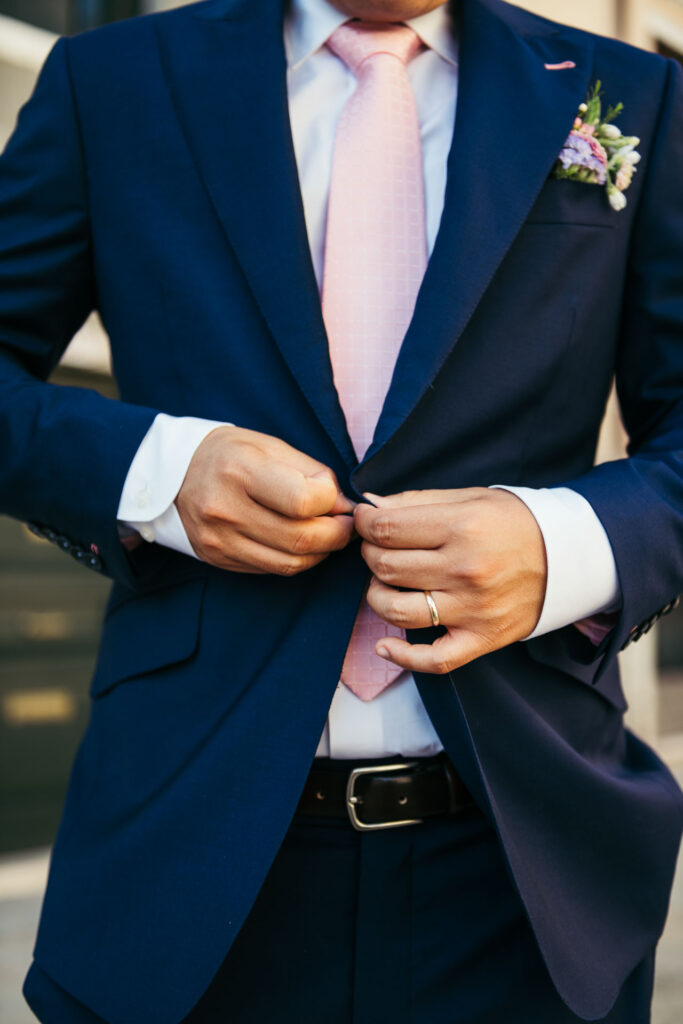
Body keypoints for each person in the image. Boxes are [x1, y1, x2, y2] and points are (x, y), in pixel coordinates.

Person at [0, 0, 682, 1020]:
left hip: (530, 878)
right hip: (187, 867)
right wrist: (154, 472)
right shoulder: (113, 81)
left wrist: (561, 544)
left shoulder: (631, 95)